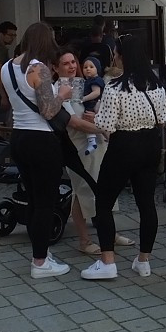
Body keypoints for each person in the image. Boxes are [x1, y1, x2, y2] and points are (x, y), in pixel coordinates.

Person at [82, 35, 166, 280]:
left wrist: (93, 120)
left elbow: (106, 124)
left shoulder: (116, 86)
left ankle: (107, 261)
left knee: (104, 201)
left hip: (124, 146)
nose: (114, 57)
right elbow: (162, 119)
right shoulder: (158, 86)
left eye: (116, 53)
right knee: (146, 203)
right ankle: (143, 260)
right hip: (150, 144)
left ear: (123, 56)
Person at [3, 23, 76, 279]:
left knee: (33, 199)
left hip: (19, 136)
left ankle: (40, 252)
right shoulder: (39, 69)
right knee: (46, 202)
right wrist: (64, 94)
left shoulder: (7, 67)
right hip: (41, 140)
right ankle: (40, 262)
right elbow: (49, 110)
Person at [52, 48, 129, 256]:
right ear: (55, 67)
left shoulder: (82, 85)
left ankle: (109, 234)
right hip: (77, 147)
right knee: (82, 191)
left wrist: (99, 122)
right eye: (66, 63)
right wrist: (103, 129)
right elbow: (72, 122)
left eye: (73, 62)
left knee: (104, 188)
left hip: (97, 143)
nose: (72, 66)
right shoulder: (57, 90)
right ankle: (84, 240)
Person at [0, 21, 18, 125]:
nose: (13, 38)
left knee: (0, 119)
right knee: (1, 120)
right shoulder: (0, 50)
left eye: (14, 35)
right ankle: (0, 140)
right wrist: (3, 96)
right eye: (10, 35)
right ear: (1, 34)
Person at [80, 55, 105, 154]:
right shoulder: (87, 81)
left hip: (94, 104)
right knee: (88, 121)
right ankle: (92, 141)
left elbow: (96, 93)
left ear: (97, 69)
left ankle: (94, 140)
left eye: (91, 67)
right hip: (90, 105)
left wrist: (83, 99)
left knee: (88, 120)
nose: (88, 69)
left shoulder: (96, 80)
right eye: (85, 67)